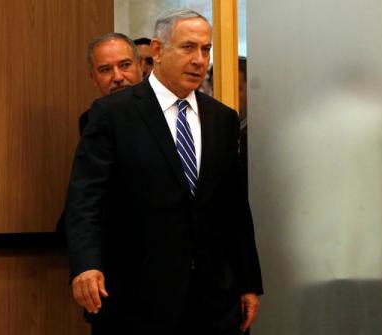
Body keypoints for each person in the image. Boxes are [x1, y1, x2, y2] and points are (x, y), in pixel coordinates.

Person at [65, 8, 263, 335]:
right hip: (138, 296)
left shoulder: (222, 119)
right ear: (157, 51)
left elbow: (234, 208)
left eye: (206, 49)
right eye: (188, 48)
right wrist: (86, 265)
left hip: (213, 299)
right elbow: (85, 199)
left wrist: (248, 282)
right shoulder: (113, 114)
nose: (200, 59)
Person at [55, 32, 142, 236]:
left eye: (125, 65)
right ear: (92, 77)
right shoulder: (91, 119)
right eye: (105, 70)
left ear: (140, 66)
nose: (118, 77)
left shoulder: (168, 113)